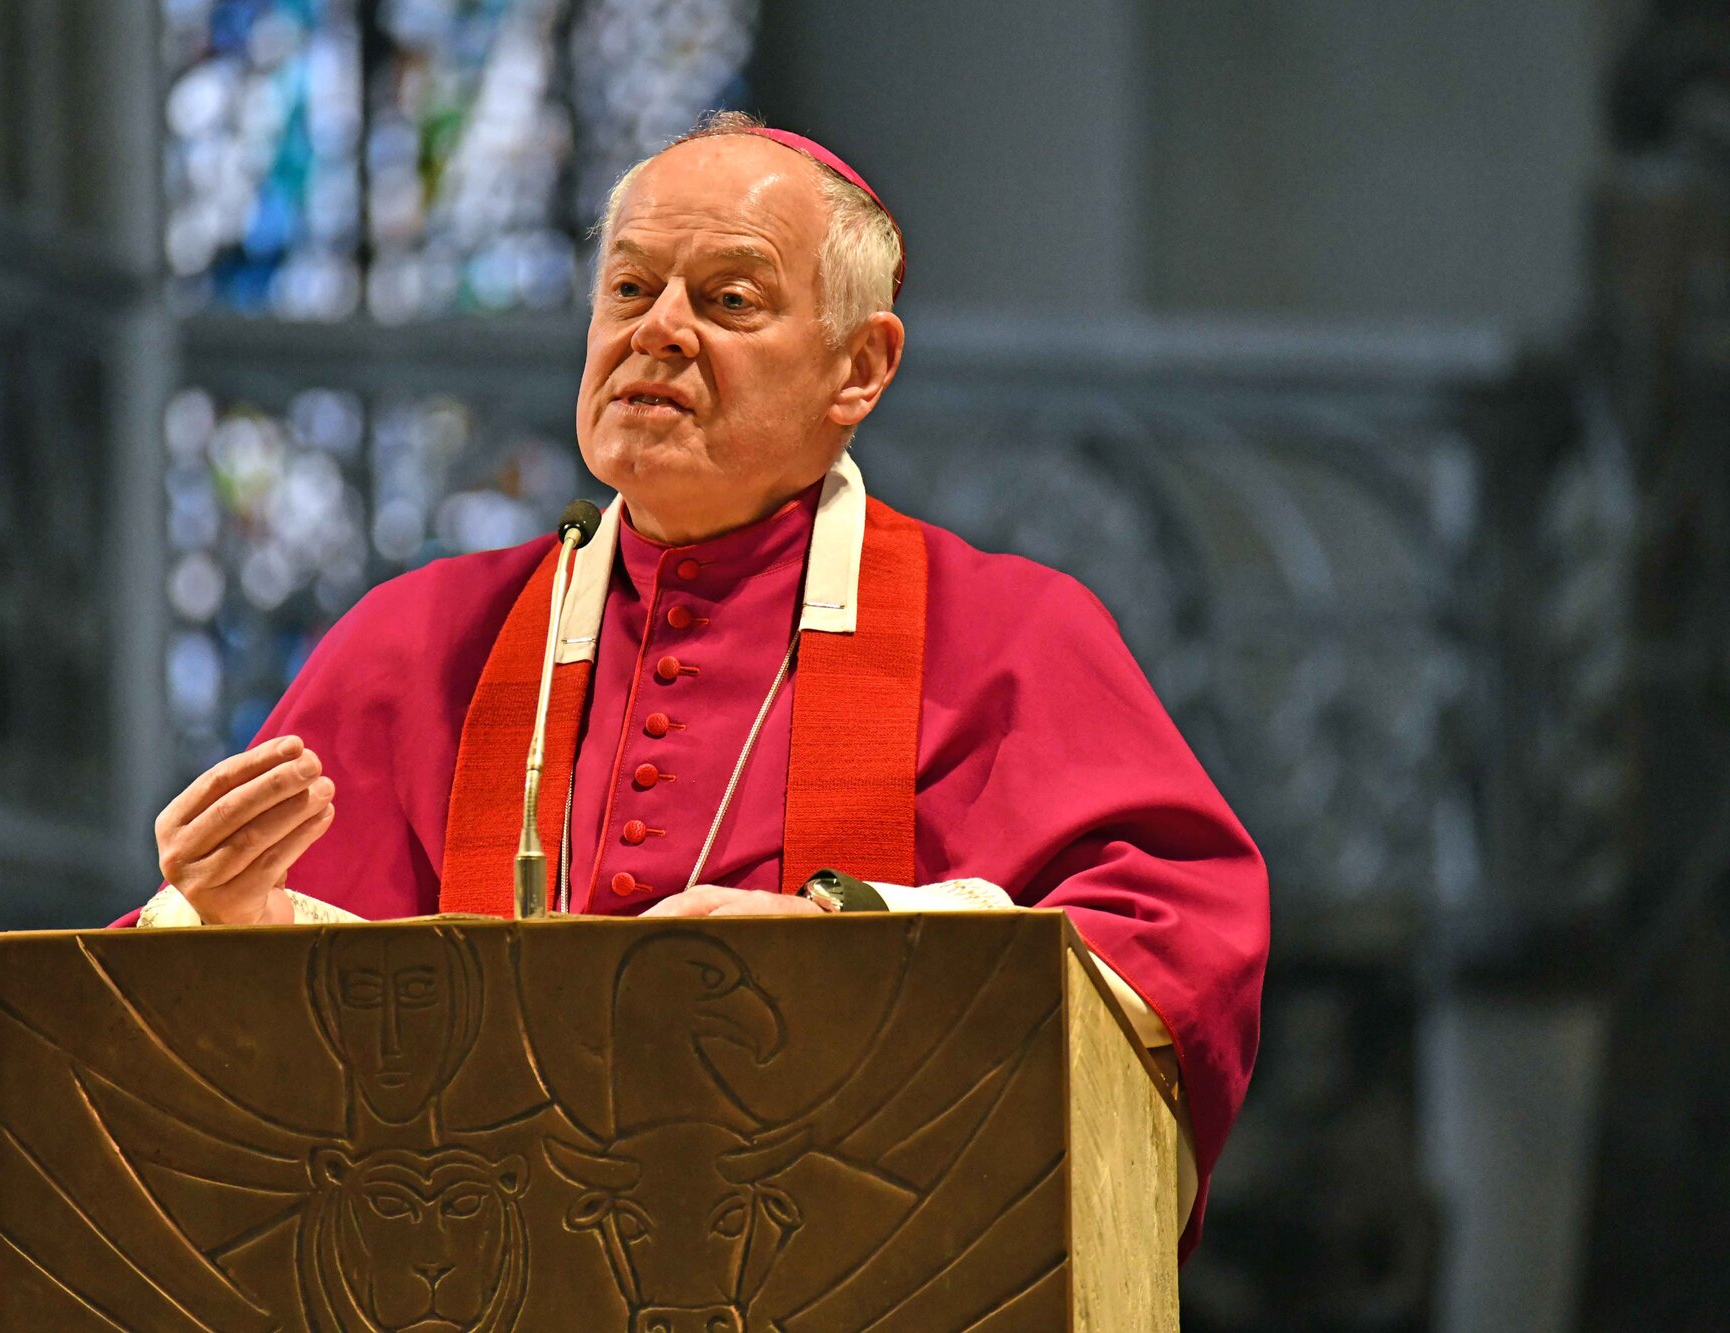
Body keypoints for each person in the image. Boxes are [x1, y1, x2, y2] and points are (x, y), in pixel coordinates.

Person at [124, 111, 1268, 1257]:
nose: (657, 332)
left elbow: (1173, 945)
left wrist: (847, 949)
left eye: (726, 301)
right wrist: (233, 929)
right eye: (627, 291)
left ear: (858, 367)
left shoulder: (1008, 636)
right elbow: (264, 1089)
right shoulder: (420, 644)